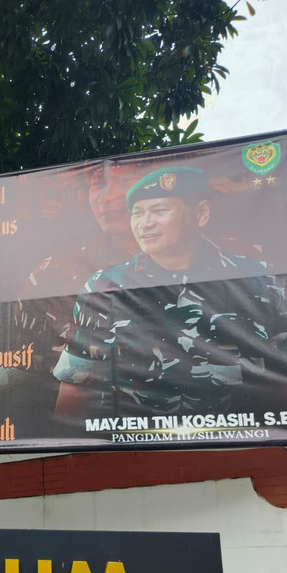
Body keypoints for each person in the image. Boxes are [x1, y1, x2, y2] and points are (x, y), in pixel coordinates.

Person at [52, 166, 287, 420]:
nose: (145, 224)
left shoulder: (255, 279)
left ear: (201, 214)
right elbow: (75, 388)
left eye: (159, 210)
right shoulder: (105, 287)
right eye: (137, 213)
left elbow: (281, 378)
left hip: (236, 437)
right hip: (135, 440)